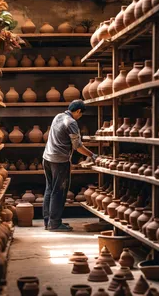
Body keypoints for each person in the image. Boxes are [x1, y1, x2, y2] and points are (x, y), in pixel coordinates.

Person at [42, 99, 97, 232]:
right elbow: (77, 146)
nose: (80, 116)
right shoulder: (72, 122)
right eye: (81, 114)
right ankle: (55, 224)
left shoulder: (58, 116)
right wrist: (93, 155)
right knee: (59, 191)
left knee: (50, 188)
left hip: (47, 158)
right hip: (59, 161)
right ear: (78, 111)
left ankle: (48, 222)